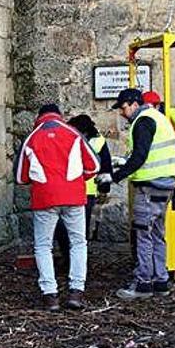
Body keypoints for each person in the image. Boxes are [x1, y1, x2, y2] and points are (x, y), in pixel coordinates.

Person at [96, 88, 175, 300]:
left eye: (124, 108)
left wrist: (113, 177)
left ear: (134, 103)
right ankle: (161, 281)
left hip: (150, 186)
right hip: (165, 184)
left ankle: (143, 283)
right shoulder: (158, 118)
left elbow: (141, 157)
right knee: (156, 234)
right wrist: (123, 161)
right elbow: (148, 153)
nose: (122, 113)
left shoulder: (142, 121)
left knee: (143, 234)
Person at [15, 103, 100, 311]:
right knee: (78, 243)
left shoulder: (32, 138)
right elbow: (94, 166)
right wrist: (76, 179)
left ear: (39, 117)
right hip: (73, 196)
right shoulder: (73, 134)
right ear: (60, 116)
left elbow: (20, 177)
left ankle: (50, 294)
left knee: (43, 246)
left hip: (44, 198)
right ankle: (76, 292)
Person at [54, 114, 113, 265]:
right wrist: (105, 187)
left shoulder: (70, 139)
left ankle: (69, 259)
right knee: (80, 230)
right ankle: (77, 262)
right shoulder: (99, 141)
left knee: (62, 227)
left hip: (70, 190)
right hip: (87, 191)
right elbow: (105, 165)